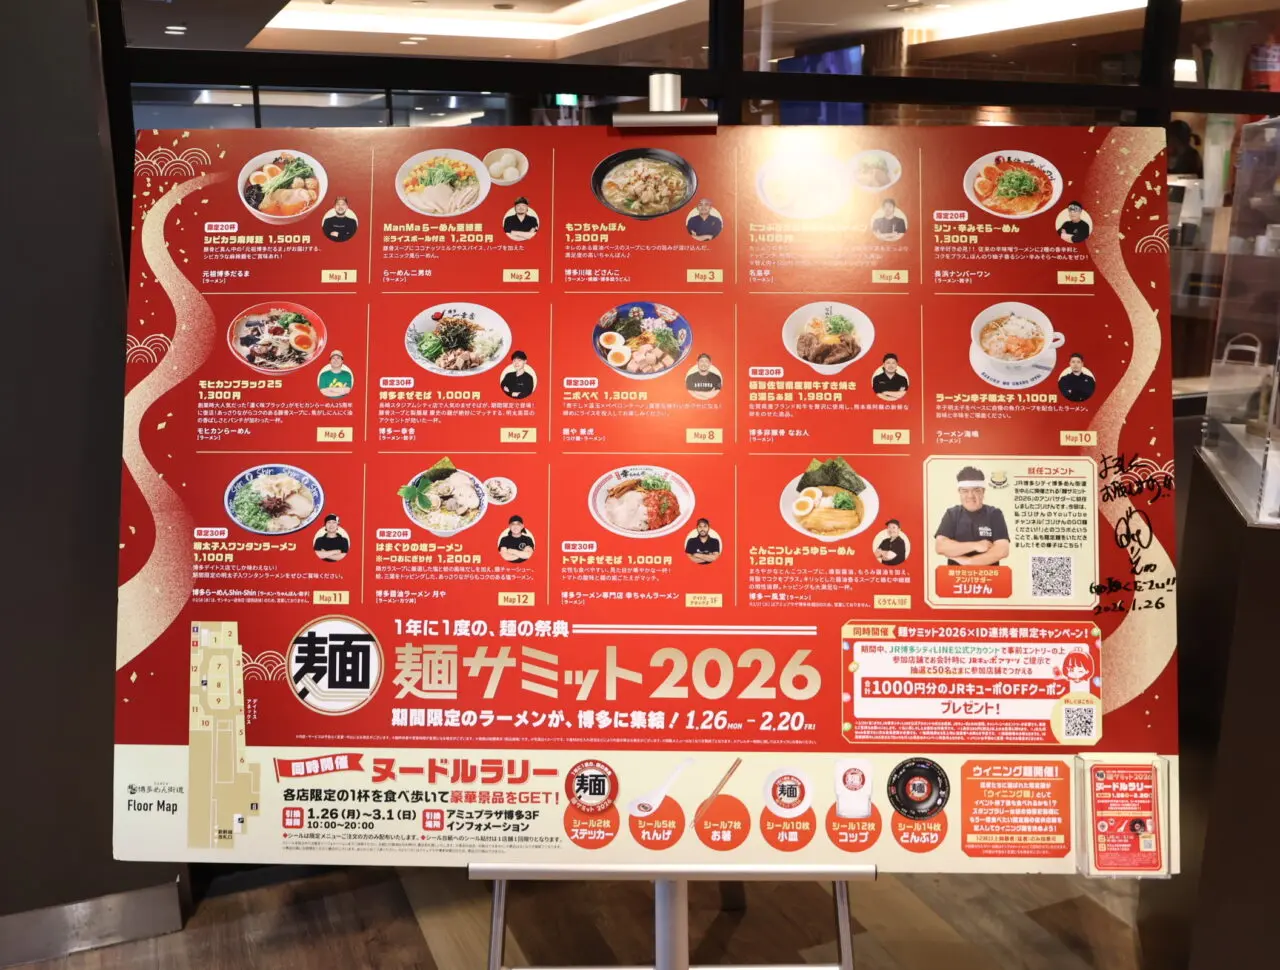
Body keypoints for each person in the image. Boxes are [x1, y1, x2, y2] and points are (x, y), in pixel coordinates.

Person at [934, 466, 1010, 566]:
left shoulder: (994, 514)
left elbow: (1002, 550)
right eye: (965, 491)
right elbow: (940, 546)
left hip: (989, 575)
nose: (970, 496)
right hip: (955, 575)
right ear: (959, 492)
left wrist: (969, 561)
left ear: (983, 492)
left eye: (976, 490)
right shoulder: (952, 514)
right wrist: (975, 545)